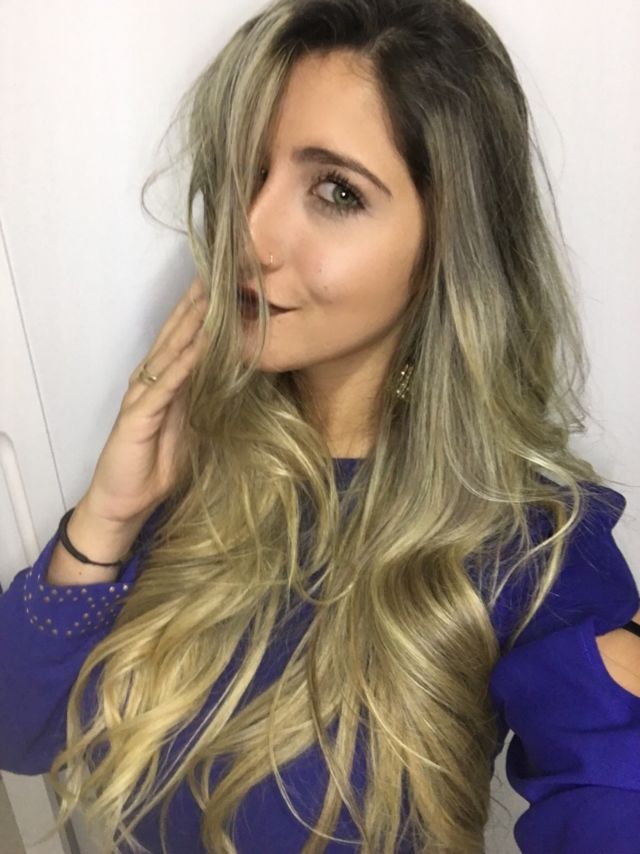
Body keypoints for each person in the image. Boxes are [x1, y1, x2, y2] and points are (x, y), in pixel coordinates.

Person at [1, 0, 639, 852]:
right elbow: (18, 731)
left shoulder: (535, 542)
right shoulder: (196, 459)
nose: (249, 232)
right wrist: (106, 520)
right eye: (248, 171)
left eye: (336, 191)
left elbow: (611, 788)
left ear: (447, 245)